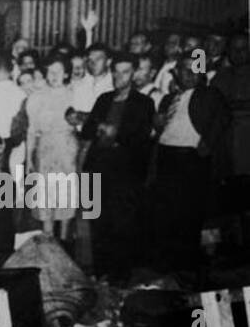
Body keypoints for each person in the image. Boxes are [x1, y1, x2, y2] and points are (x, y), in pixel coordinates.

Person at [151, 54, 232, 271]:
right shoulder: (170, 98)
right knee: (168, 211)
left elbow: (223, 117)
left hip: (190, 158)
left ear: (202, 73)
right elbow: (161, 128)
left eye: (194, 69)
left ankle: (188, 264)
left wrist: (207, 142)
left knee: (189, 213)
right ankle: (170, 263)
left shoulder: (209, 94)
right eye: (183, 70)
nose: (188, 74)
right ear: (176, 73)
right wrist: (158, 124)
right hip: (167, 157)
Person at [80, 55, 155, 279]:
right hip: (98, 167)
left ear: (133, 74)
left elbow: (140, 139)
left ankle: (120, 275)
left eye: (124, 72)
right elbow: (87, 131)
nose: (118, 76)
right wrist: (100, 128)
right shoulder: (104, 99)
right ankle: (102, 272)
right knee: (98, 223)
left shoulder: (144, 103)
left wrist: (113, 133)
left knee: (121, 224)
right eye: (116, 72)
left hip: (124, 172)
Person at [25, 58, 80, 240]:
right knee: (45, 195)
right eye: (50, 72)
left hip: (67, 148)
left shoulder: (75, 94)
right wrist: (29, 159)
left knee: (66, 194)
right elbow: (32, 130)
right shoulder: (37, 96)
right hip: (45, 148)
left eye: (58, 71)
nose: (54, 76)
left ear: (66, 73)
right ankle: (48, 238)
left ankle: (64, 239)